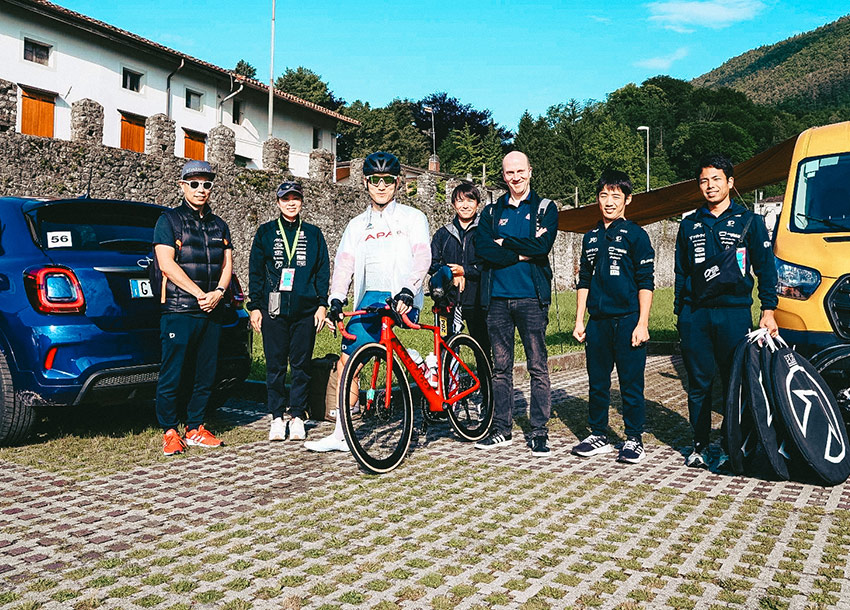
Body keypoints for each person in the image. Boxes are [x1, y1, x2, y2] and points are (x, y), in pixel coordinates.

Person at [304, 151, 431, 452]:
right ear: (365, 182)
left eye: (388, 180)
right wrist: (335, 300)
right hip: (369, 297)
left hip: (402, 294)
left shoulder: (413, 218)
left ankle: (417, 362)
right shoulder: (356, 225)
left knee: (385, 341)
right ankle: (341, 434)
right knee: (348, 363)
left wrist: (408, 290)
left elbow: (423, 257)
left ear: (398, 183)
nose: (382, 186)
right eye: (375, 180)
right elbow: (344, 265)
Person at [675, 154, 778, 468]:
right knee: (698, 383)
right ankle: (700, 444)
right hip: (697, 315)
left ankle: (734, 443)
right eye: (704, 180)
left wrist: (768, 309)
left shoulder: (750, 222)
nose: (710, 186)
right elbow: (681, 272)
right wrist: (681, 313)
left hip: (734, 315)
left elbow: (766, 268)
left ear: (731, 183)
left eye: (716, 179)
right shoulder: (689, 224)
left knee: (735, 382)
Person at [474, 151, 557, 456]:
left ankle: (538, 431)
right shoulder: (492, 212)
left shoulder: (545, 208)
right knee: (500, 368)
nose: (515, 177)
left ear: (530, 171)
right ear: (503, 175)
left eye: (520, 171)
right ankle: (501, 429)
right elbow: (483, 249)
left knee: (537, 366)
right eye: (509, 173)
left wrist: (504, 243)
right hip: (497, 300)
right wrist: (522, 252)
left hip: (531, 299)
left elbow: (542, 246)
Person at [572, 170, 655, 464]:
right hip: (599, 322)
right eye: (604, 195)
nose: (609, 202)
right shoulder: (590, 237)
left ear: (627, 200)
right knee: (597, 382)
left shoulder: (636, 235)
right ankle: (598, 434)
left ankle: (634, 439)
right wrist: (580, 320)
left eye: (615, 196)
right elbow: (584, 279)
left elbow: (646, 281)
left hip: (629, 320)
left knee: (631, 384)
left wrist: (642, 323)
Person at [153, 160, 232, 456]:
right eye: (195, 183)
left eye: (207, 184)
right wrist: (201, 293)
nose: (201, 189)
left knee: (206, 373)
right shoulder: (169, 221)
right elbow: (167, 265)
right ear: (183, 185)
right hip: (179, 309)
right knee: (173, 372)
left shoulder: (219, 224)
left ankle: (196, 427)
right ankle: (170, 431)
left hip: (211, 309)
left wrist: (219, 292)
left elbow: (227, 265)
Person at [247, 181, 330, 442]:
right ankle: (276, 417)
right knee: (275, 365)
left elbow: (322, 271)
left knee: (301, 365)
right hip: (273, 310)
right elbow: (256, 272)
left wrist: (322, 304)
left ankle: (297, 416)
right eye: (286, 199)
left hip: (306, 311)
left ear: (302, 201)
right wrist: (255, 307)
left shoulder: (314, 234)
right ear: (278, 202)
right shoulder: (266, 232)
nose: (291, 203)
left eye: (295, 198)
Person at [428, 182, 489, 354]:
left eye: (470, 200)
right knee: (445, 348)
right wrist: (451, 273)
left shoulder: (485, 232)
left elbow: (488, 264)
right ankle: (448, 381)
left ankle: (485, 380)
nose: (465, 205)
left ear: (477, 203)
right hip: (447, 301)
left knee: (482, 347)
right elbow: (432, 264)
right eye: (460, 201)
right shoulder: (443, 234)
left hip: (477, 300)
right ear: (453, 204)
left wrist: (465, 271)